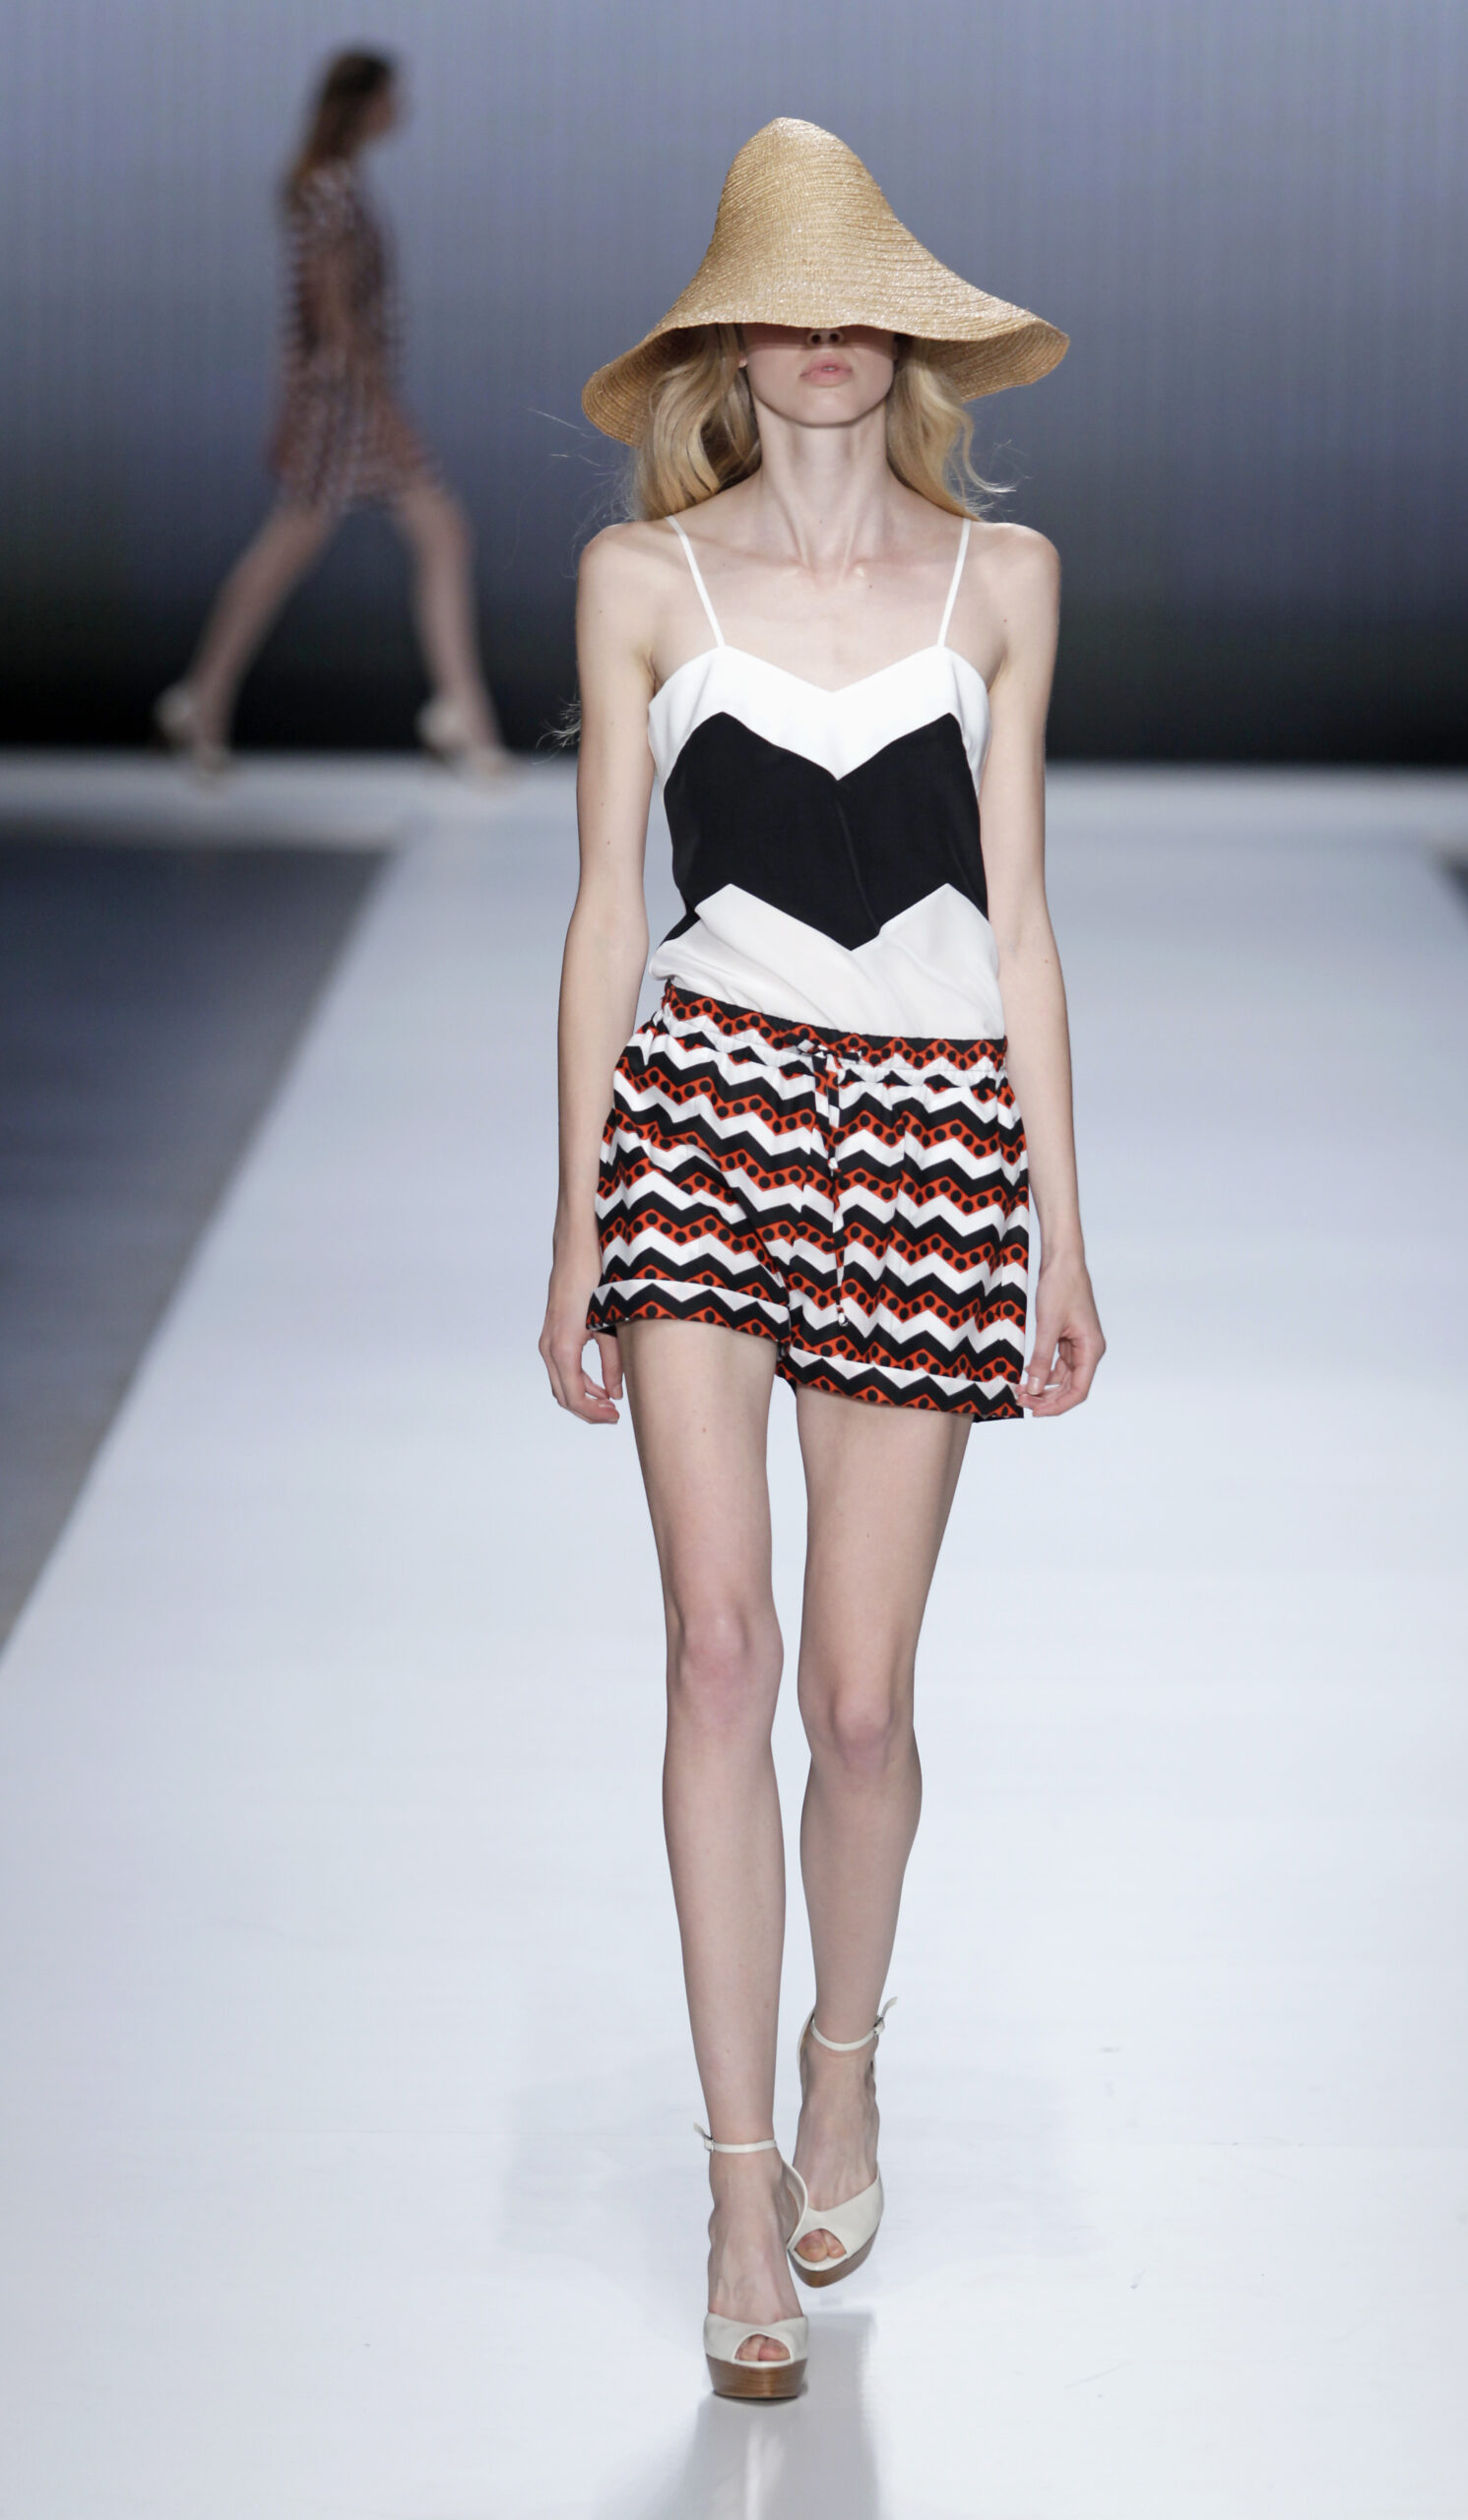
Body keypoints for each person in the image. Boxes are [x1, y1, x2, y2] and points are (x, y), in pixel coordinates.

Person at [539, 120, 1104, 2397]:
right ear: (727, 345)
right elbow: (603, 910)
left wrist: (1061, 1224)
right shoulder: (637, 579)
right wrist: (573, 1216)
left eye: (854, 301)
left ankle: (842, 2057)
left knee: (858, 1700)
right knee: (717, 1646)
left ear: (900, 337)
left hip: (934, 1123)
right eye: (778, 304)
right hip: (703, 1107)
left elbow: (1020, 914)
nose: (820, 338)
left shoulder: (1003, 580)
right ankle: (734, 2180)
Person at [155, 49, 505, 777]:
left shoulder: (331, 186)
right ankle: (205, 700)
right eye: (391, 96)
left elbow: (314, 315)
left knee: (421, 535)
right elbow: (332, 314)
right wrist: (383, 410)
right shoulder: (331, 191)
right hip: (346, 405)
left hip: (341, 401)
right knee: (309, 547)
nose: (401, 109)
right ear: (363, 102)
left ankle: (458, 717)